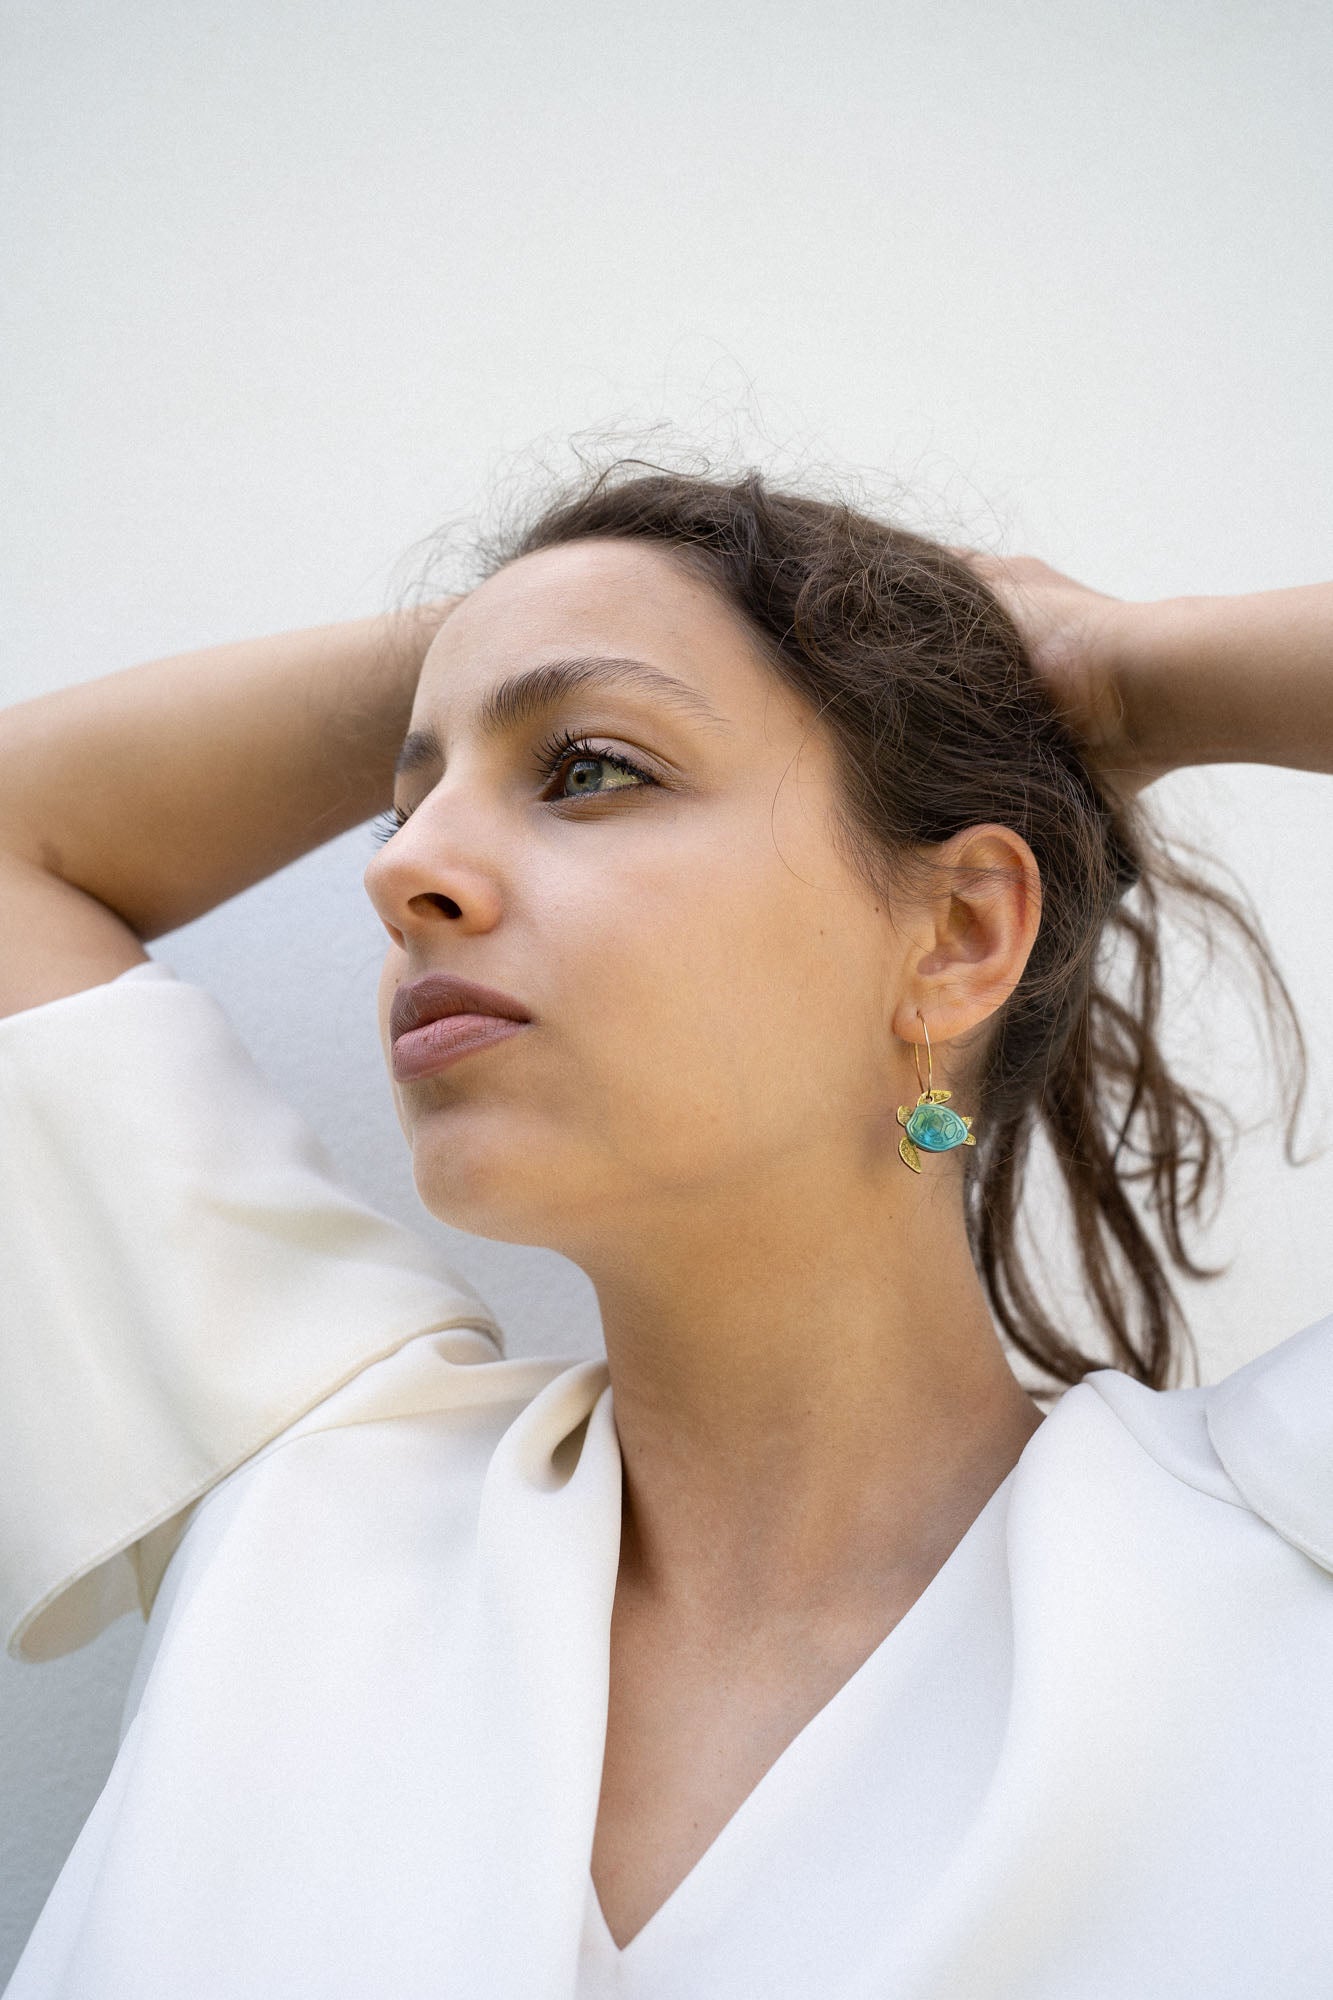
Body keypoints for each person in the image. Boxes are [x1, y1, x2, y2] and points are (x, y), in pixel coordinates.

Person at [0, 462, 1330, 1999]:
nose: (396, 867)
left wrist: (1127, 672)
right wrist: (532, 631)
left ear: (958, 936)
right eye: (406, 795)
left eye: (588, 771)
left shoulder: (1274, 1543)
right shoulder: (312, 1487)